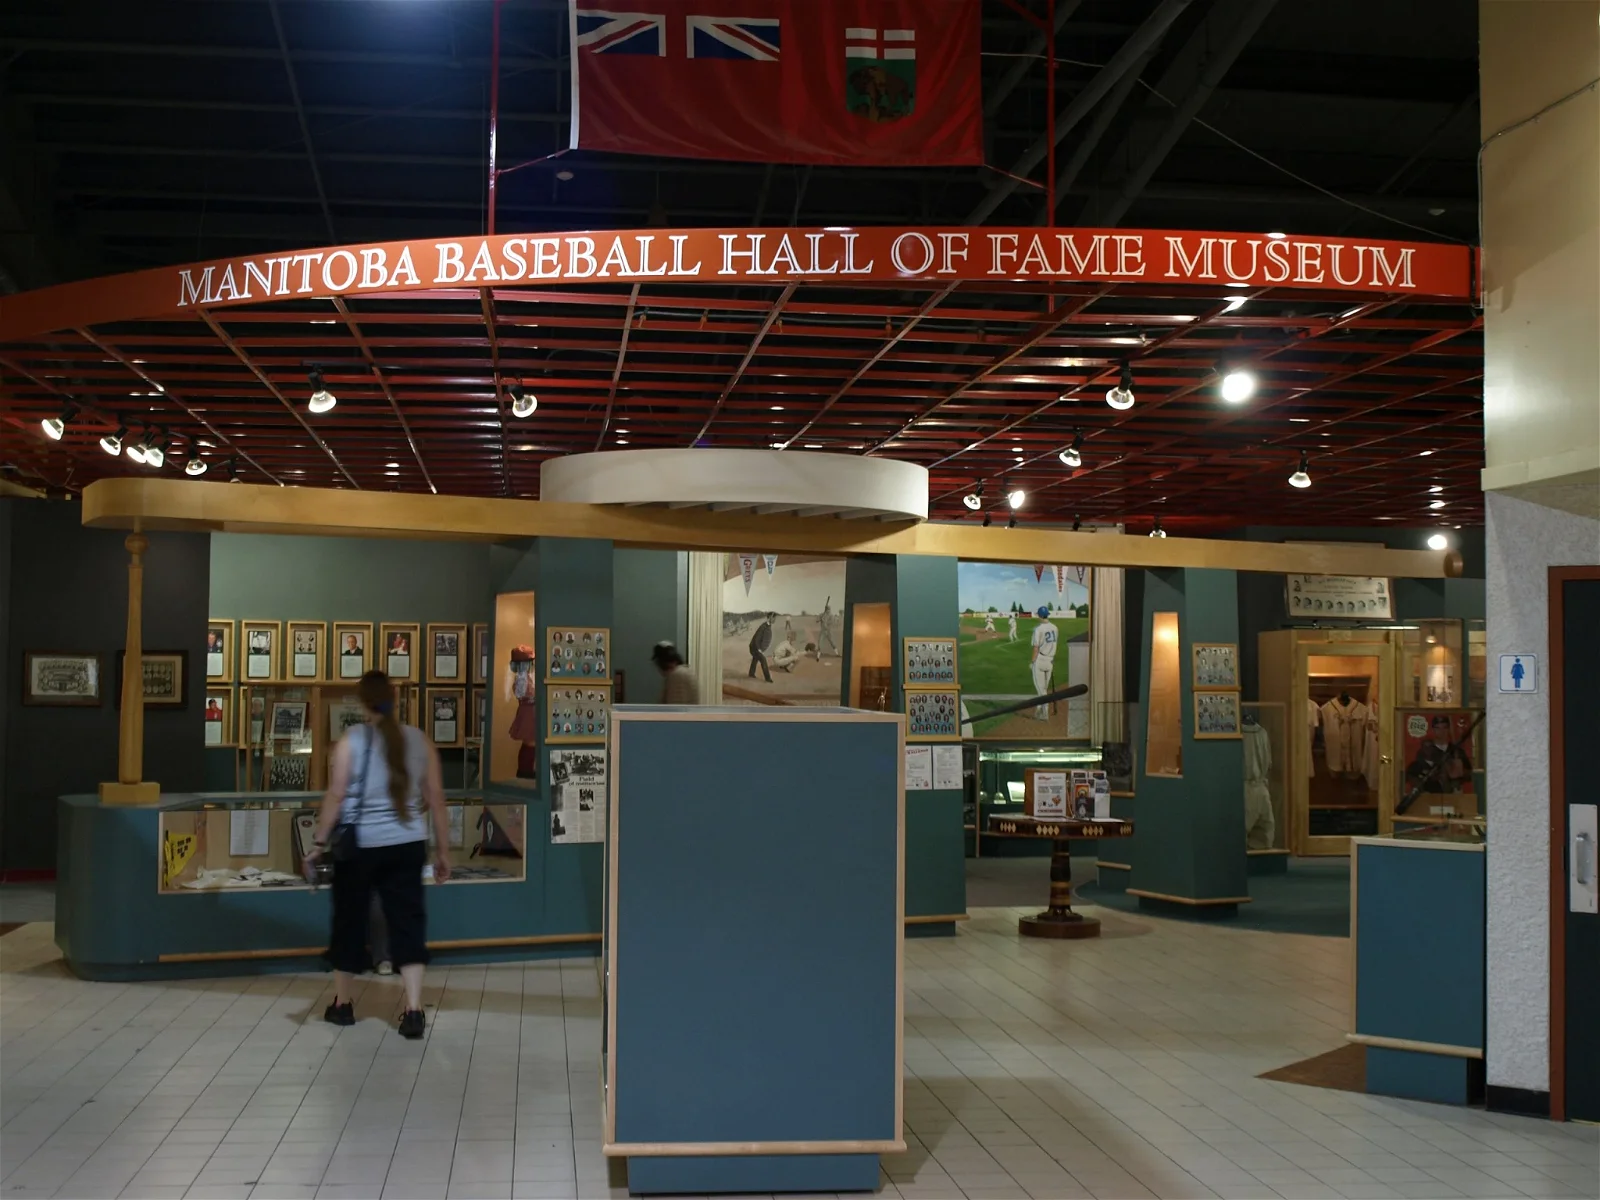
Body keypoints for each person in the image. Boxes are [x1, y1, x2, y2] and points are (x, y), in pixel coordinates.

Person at [310, 671, 450, 1039]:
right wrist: (443, 853)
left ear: (362, 702)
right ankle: (414, 1010)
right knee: (408, 925)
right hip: (407, 845)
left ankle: (342, 1005)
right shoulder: (419, 741)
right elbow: (436, 800)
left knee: (349, 923)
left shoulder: (352, 741)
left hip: (360, 849)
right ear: (396, 700)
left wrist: (318, 841)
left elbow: (336, 796)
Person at [1406, 714, 1472, 794]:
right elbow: (1416, 773)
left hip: (1454, 794)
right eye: (1438, 728)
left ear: (1449, 729)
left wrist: (1458, 771)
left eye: (1445, 727)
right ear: (1433, 730)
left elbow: (1469, 774)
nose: (1442, 731)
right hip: (1431, 794)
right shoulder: (1425, 751)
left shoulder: (1457, 751)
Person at [1029, 604, 1058, 720]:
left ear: (1040, 616)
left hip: (1040, 661)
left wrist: (1032, 662)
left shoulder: (1038, 629)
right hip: (1050, 661)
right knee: (1044, 689)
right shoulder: (1055, 627)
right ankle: (1038, 709)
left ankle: (1044, 713)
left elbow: (1036, 648)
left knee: (1041, 690)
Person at [748, 612, 775, 683]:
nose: (774, 619)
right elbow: (757, 638)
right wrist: (759, 648)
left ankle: (751, 673)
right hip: (754, 647)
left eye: (775, 618)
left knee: (755, 658)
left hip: (755, 647)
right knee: (763, 660)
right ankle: (768, 678)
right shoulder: (763, 626)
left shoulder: (768, 626)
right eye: (773, 618)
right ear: (769, 618)